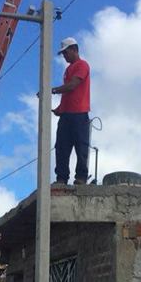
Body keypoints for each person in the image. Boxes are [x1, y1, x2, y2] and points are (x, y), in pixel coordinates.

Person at [51, 37, 91, 185]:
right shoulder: (68, 69)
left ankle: (81, 177)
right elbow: (68, 94)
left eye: (66, 52)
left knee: (81, 147)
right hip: (67, 115)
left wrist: (53, 90)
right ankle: (61, 178)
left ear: (74, 50)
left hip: (79, 114)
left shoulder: (82, 65)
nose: (64, 56)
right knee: (61, 147)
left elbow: (73, 86)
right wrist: (60, 109)